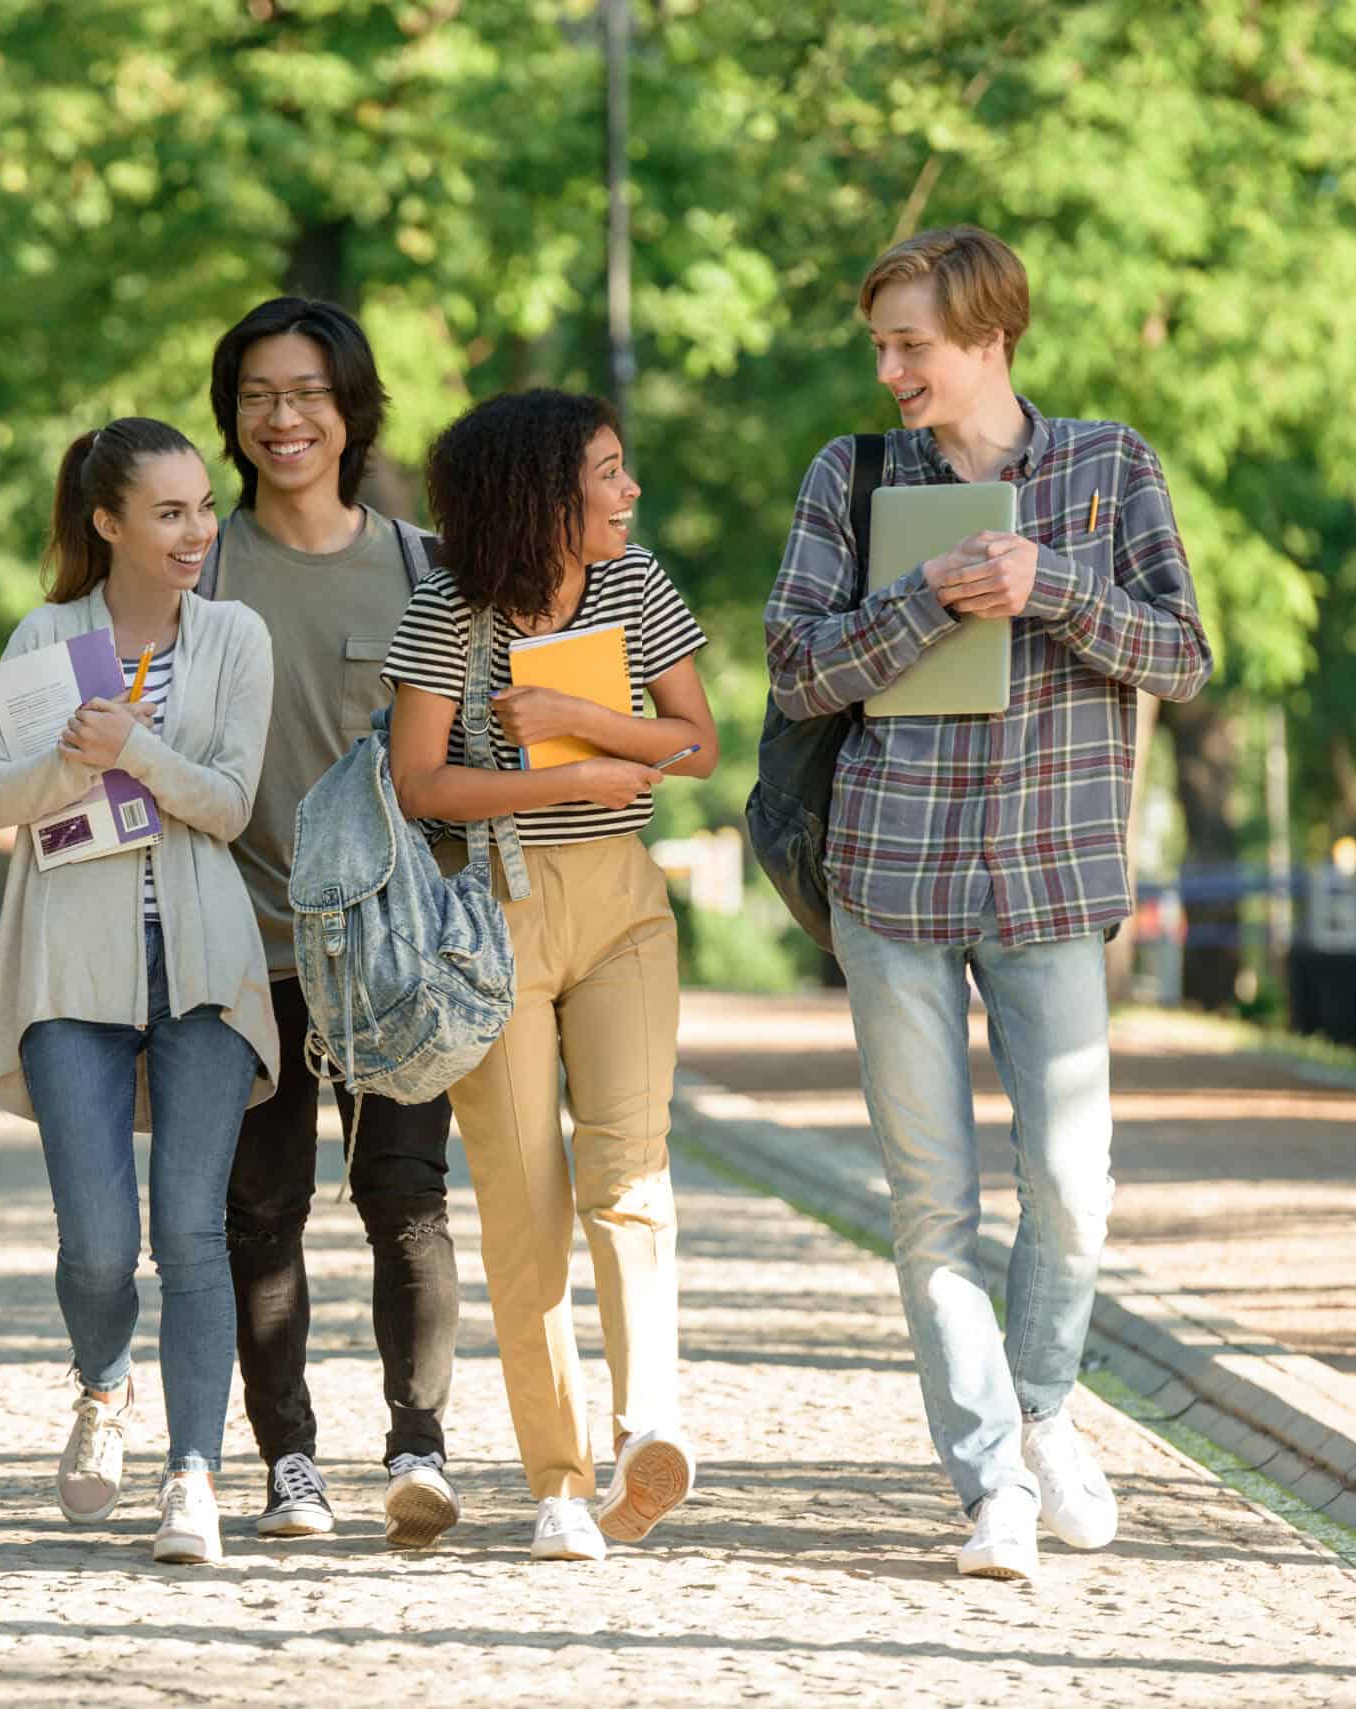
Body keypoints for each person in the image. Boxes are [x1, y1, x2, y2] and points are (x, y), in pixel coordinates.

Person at [763, 225, 1212, 1581]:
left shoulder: (1109, 465)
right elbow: (792, 670)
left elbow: (1182, 656)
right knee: (930, 1206)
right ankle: (990, 1487)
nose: (891, 368)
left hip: (1052, 878)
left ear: (989, 336)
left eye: (914, 344)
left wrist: (1051, 588)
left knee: (1073, 1188)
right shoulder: (852, 476)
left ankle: (1040, 1408)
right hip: (891, 879)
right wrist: (924, 604)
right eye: (883, 345)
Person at [385, 388, 715, 1562]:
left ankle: (646, 1428)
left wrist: (583, 718)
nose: (629, 493)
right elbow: (420, 782)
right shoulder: (445, 611)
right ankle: (559, 1479)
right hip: (493, 921)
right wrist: (556, 780)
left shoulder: (635, 585)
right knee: (524, 1206)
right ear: (540, 495)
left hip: (621, 906)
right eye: (609, 474)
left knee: (631, 1173)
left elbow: (696, 742)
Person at [0, 417, 277, 1566]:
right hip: (70, 961)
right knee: (98, 1242)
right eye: (169, 512)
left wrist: (137, 750)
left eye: (203, 507)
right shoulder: (47, 634)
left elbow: (234, 803)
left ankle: (192, 1470)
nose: (196, 530)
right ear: (107, 523)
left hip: (202, 959)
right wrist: (73, 760)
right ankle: (103, 1385)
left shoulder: (234, 634)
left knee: (191, 1229)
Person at [199, 296, 465, 1547]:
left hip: (390, 962)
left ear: (351, 409)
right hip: (240, 949)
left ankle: (418, 1445)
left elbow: (464, 751)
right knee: (259, 1211)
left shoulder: (423, 568)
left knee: (404, 1195)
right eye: (257, 394)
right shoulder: (195, 568)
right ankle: (287, 1459)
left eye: (306, 392)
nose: (282, 416)